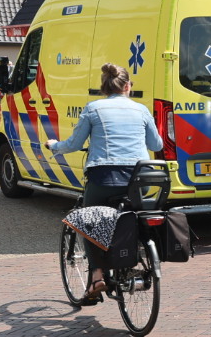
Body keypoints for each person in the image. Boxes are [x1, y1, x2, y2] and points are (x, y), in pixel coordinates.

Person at [49, 63, 162, 303]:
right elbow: (157, 145)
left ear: (104, 88)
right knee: (132, 218)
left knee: (89, 221)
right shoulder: (141, 110)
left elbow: (74, 144)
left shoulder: (94, 108)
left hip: (104, 178)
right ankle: (135, 258)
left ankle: (97, 276)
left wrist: (54, 146)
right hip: (139, 179)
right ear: (128, 86)